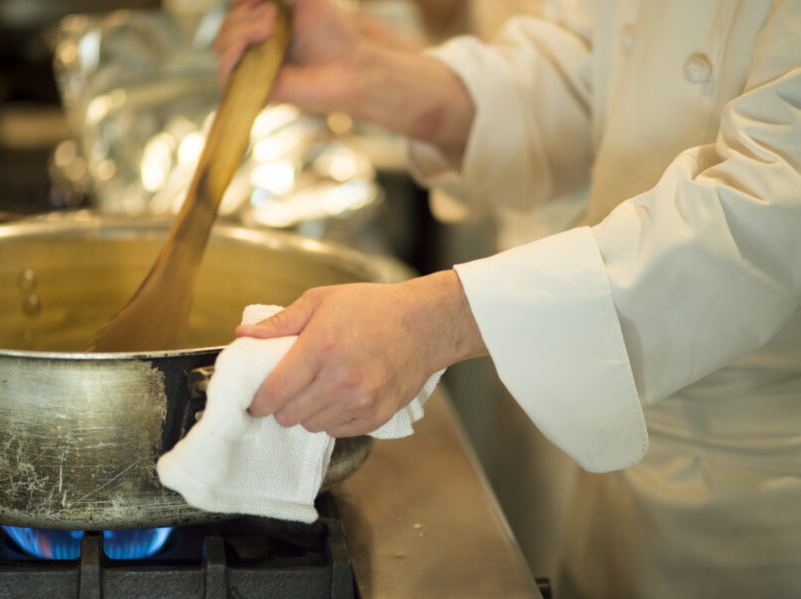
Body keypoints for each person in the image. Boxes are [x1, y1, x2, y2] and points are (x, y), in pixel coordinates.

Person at [214, 1, 801, 598]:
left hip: (767, 498)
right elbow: (576, 78)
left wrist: (436, 320)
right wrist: (365, 70)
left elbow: (768, 212)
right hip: (627, 462)